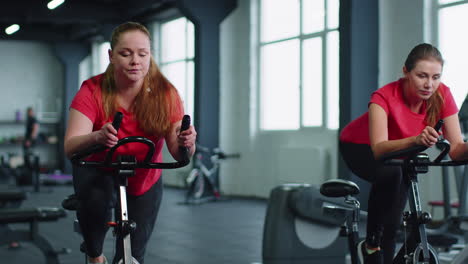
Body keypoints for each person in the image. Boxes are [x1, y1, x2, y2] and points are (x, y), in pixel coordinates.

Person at [64, 22, 197, 264]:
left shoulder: (166, 94)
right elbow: (71, 145)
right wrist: (97, 136)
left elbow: (179, 153)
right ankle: (95, 256)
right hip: (98, 170)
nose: (135, 60)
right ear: (111, 56)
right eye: (125, 54)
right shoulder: (92, 90)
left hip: (144, 177)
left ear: (150, 56)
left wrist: (187, 142)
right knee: (94, 233)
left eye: (142, 54)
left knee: (133, 255)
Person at [339, 43, 468, 264]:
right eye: (422, 76)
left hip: (402, 151)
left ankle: (382, 252)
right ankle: (370, 245)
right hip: (358, 146)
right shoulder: (384, 97)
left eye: (436, 77)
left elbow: (456, 150)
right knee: (392, 174)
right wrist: (416, 139)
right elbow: (379, 148)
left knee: (394, 217)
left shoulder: (443, 94)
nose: (429, 84)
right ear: (406, 72)